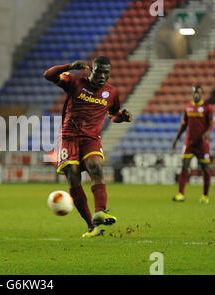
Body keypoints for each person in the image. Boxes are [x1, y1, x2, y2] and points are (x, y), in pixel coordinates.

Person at [43, 56, 133, 238]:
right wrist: (69, 66)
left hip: (91, 138)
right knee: (74, 176)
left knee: (96, 166)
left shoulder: (111, 93)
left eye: (106, 73)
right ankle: (92, 226)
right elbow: (48, 75)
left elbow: (113, 114)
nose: (102, 76)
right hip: (69, 137)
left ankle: (100, 211)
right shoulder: (75, 82)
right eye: (98, 71)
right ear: (91, 71)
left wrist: (121, 117)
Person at [172, 85, 214, 204]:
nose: (196, 95)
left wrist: (208, 132)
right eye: (194, 93)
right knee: (185, 165)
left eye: (198, 93)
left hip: (202, 143)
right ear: (192, 94)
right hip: (189, 142)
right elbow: (183, 125)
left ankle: (205, 196)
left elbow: (211, 123)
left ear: (202, 94)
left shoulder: (207, 107)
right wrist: (177, 138)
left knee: (206, 168)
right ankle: (181, 194)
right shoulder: (188, 107)